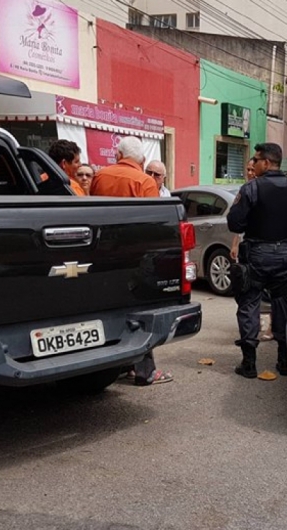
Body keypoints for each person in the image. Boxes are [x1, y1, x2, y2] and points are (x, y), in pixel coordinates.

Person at [227, 143, 287, 379]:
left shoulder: (251, 188)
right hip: (284, 252)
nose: (252, 164)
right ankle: (284, 361)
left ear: (266, 162)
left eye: (255, 160)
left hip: (256, 253)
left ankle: (249, 363)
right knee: (282, 303)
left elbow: (235, 223)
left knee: (249, 304)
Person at [90, 137, 170, 385]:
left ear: (117, 155)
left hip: (104, 255)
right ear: (142, 160)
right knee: (140, 313)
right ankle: (145, 371)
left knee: (111, 310)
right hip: (136, 257)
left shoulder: (100, 177)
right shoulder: (145, 182)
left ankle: (121, 365)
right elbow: (153, 226)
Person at [230, 158, 273, 343]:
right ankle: (255, 330)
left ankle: (267, 328)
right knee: (248, 292)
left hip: (264, 250)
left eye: (251, 168)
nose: (249, 172)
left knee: (265, 294)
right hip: (250, 247)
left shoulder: (262, 190)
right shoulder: (245, 190)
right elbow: (237, 224)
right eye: (246, 169)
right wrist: (234, 244)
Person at [90, 136, 158, 198]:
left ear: (119, 155)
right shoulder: (146, 182)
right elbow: (154, 210)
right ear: (143, 160)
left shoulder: (99, 175)